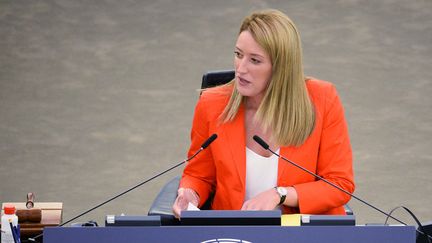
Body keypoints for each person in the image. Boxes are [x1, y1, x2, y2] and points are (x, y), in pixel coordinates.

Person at [172, 9, 355, 218]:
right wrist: (190, 194)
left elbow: (339, 184)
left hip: (303, 235)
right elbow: (199, 175)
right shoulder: (212, 104)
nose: (240, 69)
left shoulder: (323, 99)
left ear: (281, 67)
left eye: (255, 60)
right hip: (236, 234)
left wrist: (281, 194)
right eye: (238, 55)